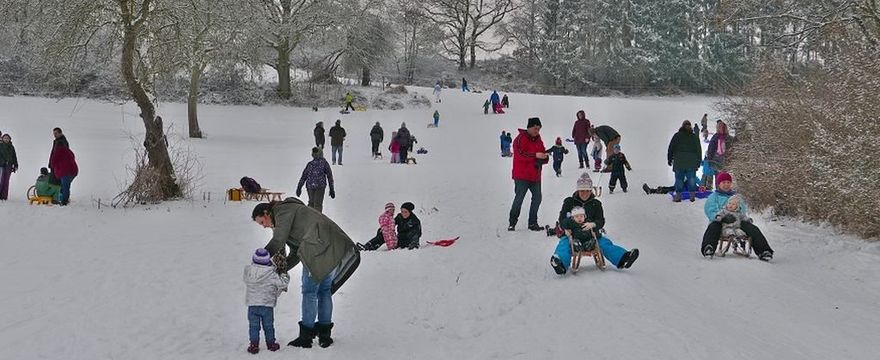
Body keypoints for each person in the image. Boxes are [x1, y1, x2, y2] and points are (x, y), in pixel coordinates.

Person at [251, 198, 361, 349]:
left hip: (316, 247)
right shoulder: (291, 211)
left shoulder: (281, 211)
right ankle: (325, 335)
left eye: (262, 222)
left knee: (310, 292)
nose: (264, 226)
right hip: (330, 246)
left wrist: (261, 258)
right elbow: (296, 253)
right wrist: (281, 270)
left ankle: (306, 337)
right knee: (324, 291)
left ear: (266, 212)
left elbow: (278, 240)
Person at [549, 173, 640, 274]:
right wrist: (567, 225)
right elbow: (562, 219)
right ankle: (560, 263)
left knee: (604, 243)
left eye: (587, 191)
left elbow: (601, 220)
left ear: (591, 190)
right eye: (582, 191)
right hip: (572, 235)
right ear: (578, 190)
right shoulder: (569, 202)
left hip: (590, 235)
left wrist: (594, 224)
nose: (584, 193)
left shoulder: (596, 204)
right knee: (564, 244)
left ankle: (623, 258)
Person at [700, 172, 774, 261]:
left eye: (728, 182)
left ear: (731, 184)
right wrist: (720, 217)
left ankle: (764, 251)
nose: (726, 185)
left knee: (753, 229)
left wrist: (742, 217)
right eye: (723, 183)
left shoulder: (736, 197)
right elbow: (710, 210)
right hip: (720, 221)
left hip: (737, 221)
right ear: (719, 184)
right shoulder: (714, 196)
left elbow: (742, 209)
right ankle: (708, 247)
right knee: (713, 227)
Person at [244, 248, 290, 354]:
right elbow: (283, 283)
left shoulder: (248, 271)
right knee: (268, 326)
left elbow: (245, 278)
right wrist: (284, 275)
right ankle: (271, 344)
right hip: (267, 305)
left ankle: (254, 345)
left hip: (252, 305)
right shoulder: (272, 274)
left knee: (253, 326)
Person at [508, 117, 548, 231]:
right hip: (521, 176)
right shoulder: (520, 138)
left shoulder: (539, 139)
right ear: (529, 127)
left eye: (539, 129)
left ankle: (532, 223)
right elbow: (520, 154)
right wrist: (535, 155)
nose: (537, 131)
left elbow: (542, 153)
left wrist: (545, 157)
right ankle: (512, 222)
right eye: (535, 128)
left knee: (537, 198)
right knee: (519, 198)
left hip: (535, 176)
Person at [667, 120, 702, 202]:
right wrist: (698, 162)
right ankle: (692, 196)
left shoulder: (677, 135)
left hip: (679, 161)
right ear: (690, 126)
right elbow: (698, 150)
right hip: (691, 162)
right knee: (691, 179)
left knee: (679, 179)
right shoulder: (694, 137)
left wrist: (669, 159)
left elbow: (671, 148)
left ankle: (678, 196)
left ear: (682, 126)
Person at [296, 147, 335, 213]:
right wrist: (331, 189)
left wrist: (299, 187)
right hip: (320, 186)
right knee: (317, 204)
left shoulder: (310, 164)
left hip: (310, 186)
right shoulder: (324, 163)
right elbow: (329, 176)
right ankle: (316, 220)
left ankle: (309, 218)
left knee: (311, 203)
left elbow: (304, 176)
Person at [48, 128, 78, 206]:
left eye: (56, 133)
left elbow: (55, 156)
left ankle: (64, 200)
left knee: (65, 185)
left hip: (66, 169)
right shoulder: (57, 142)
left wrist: (52, 164)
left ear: (60, 133)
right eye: (54, 133)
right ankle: (63, 199)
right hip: (65, 168)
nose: (54, 135)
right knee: (64, 185)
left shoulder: (61, 143)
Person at [0, 133, 18, 200]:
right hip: (1, 166)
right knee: (1, 180)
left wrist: (16, 165)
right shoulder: (0, 146)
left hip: (9, 166)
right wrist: (2, 162)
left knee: (6, 181)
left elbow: (14, 156)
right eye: (5, 138)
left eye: (7, 138)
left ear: (9, 139)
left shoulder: (11, 147)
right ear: (2, 138)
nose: (6, 139)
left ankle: (4, 196)